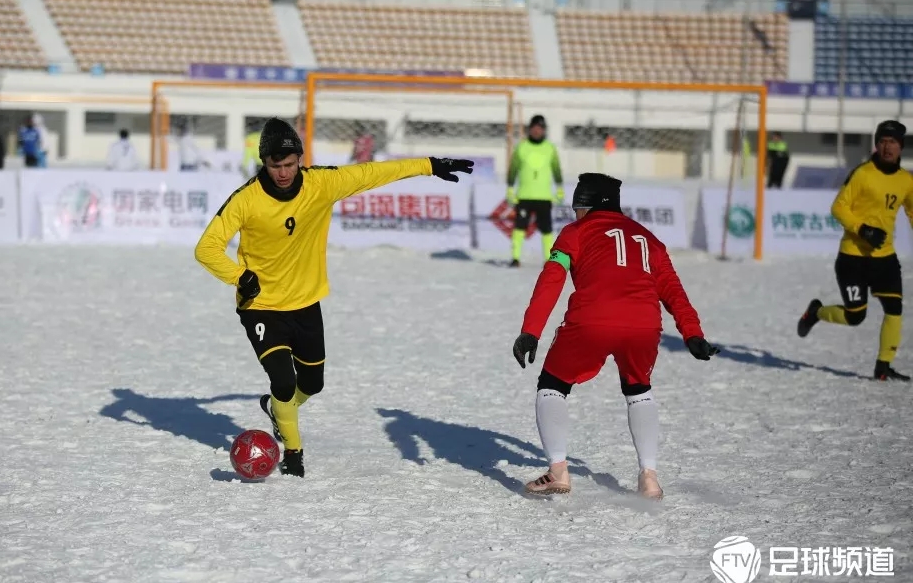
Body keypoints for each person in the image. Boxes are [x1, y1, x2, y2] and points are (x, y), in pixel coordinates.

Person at [194, 118, 473, 477]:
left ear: (300, 159)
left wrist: (429, 166)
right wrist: (239, 276)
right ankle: (293, 452)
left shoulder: (321, 183)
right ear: (264, 162)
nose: (283, 173)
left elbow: (372, 173)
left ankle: (279, 411)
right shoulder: (246, 199)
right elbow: (207, 248)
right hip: (261, 306)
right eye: (275, 166)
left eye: (289, 165)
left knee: (312, 384)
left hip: (307, 302)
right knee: (282, 380)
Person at [512, 172, 718, 499]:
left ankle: (558, 471)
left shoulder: (575, 233)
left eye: (577, 207)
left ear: (587, 206)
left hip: (592, 320)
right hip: (644, 325)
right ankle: (649, 477)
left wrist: (530, 330)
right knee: (639, 389)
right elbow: (673, 291)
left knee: (552, 385)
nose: (575, 214)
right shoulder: (649, 238)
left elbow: (552, 279)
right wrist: (692, 333)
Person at [797, 120, 913, 382]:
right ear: (876, 143)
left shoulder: (906, 180)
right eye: (883, 141)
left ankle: (883, 366)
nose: (887, 147)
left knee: (894, 308)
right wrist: (863, 230)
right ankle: (815, 312)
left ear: (901, 147)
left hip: (885, 258)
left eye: (892, 142)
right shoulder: (862, 173)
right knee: (855, 316)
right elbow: (838, 207)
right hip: (853, 259)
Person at [507, 115, 566, 267]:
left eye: (540, 128)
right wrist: (510, 188)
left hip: (544, 196)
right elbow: (513, 169)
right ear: (530, 129)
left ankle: (548, 259)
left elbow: (556, 169)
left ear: (544, 130)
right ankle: (515, 258)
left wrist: (559, 188)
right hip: (524, 195)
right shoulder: (522, 147)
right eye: (534, 128)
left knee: (546, 229)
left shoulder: (550, 148)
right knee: (520, 226)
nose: (536, 131)